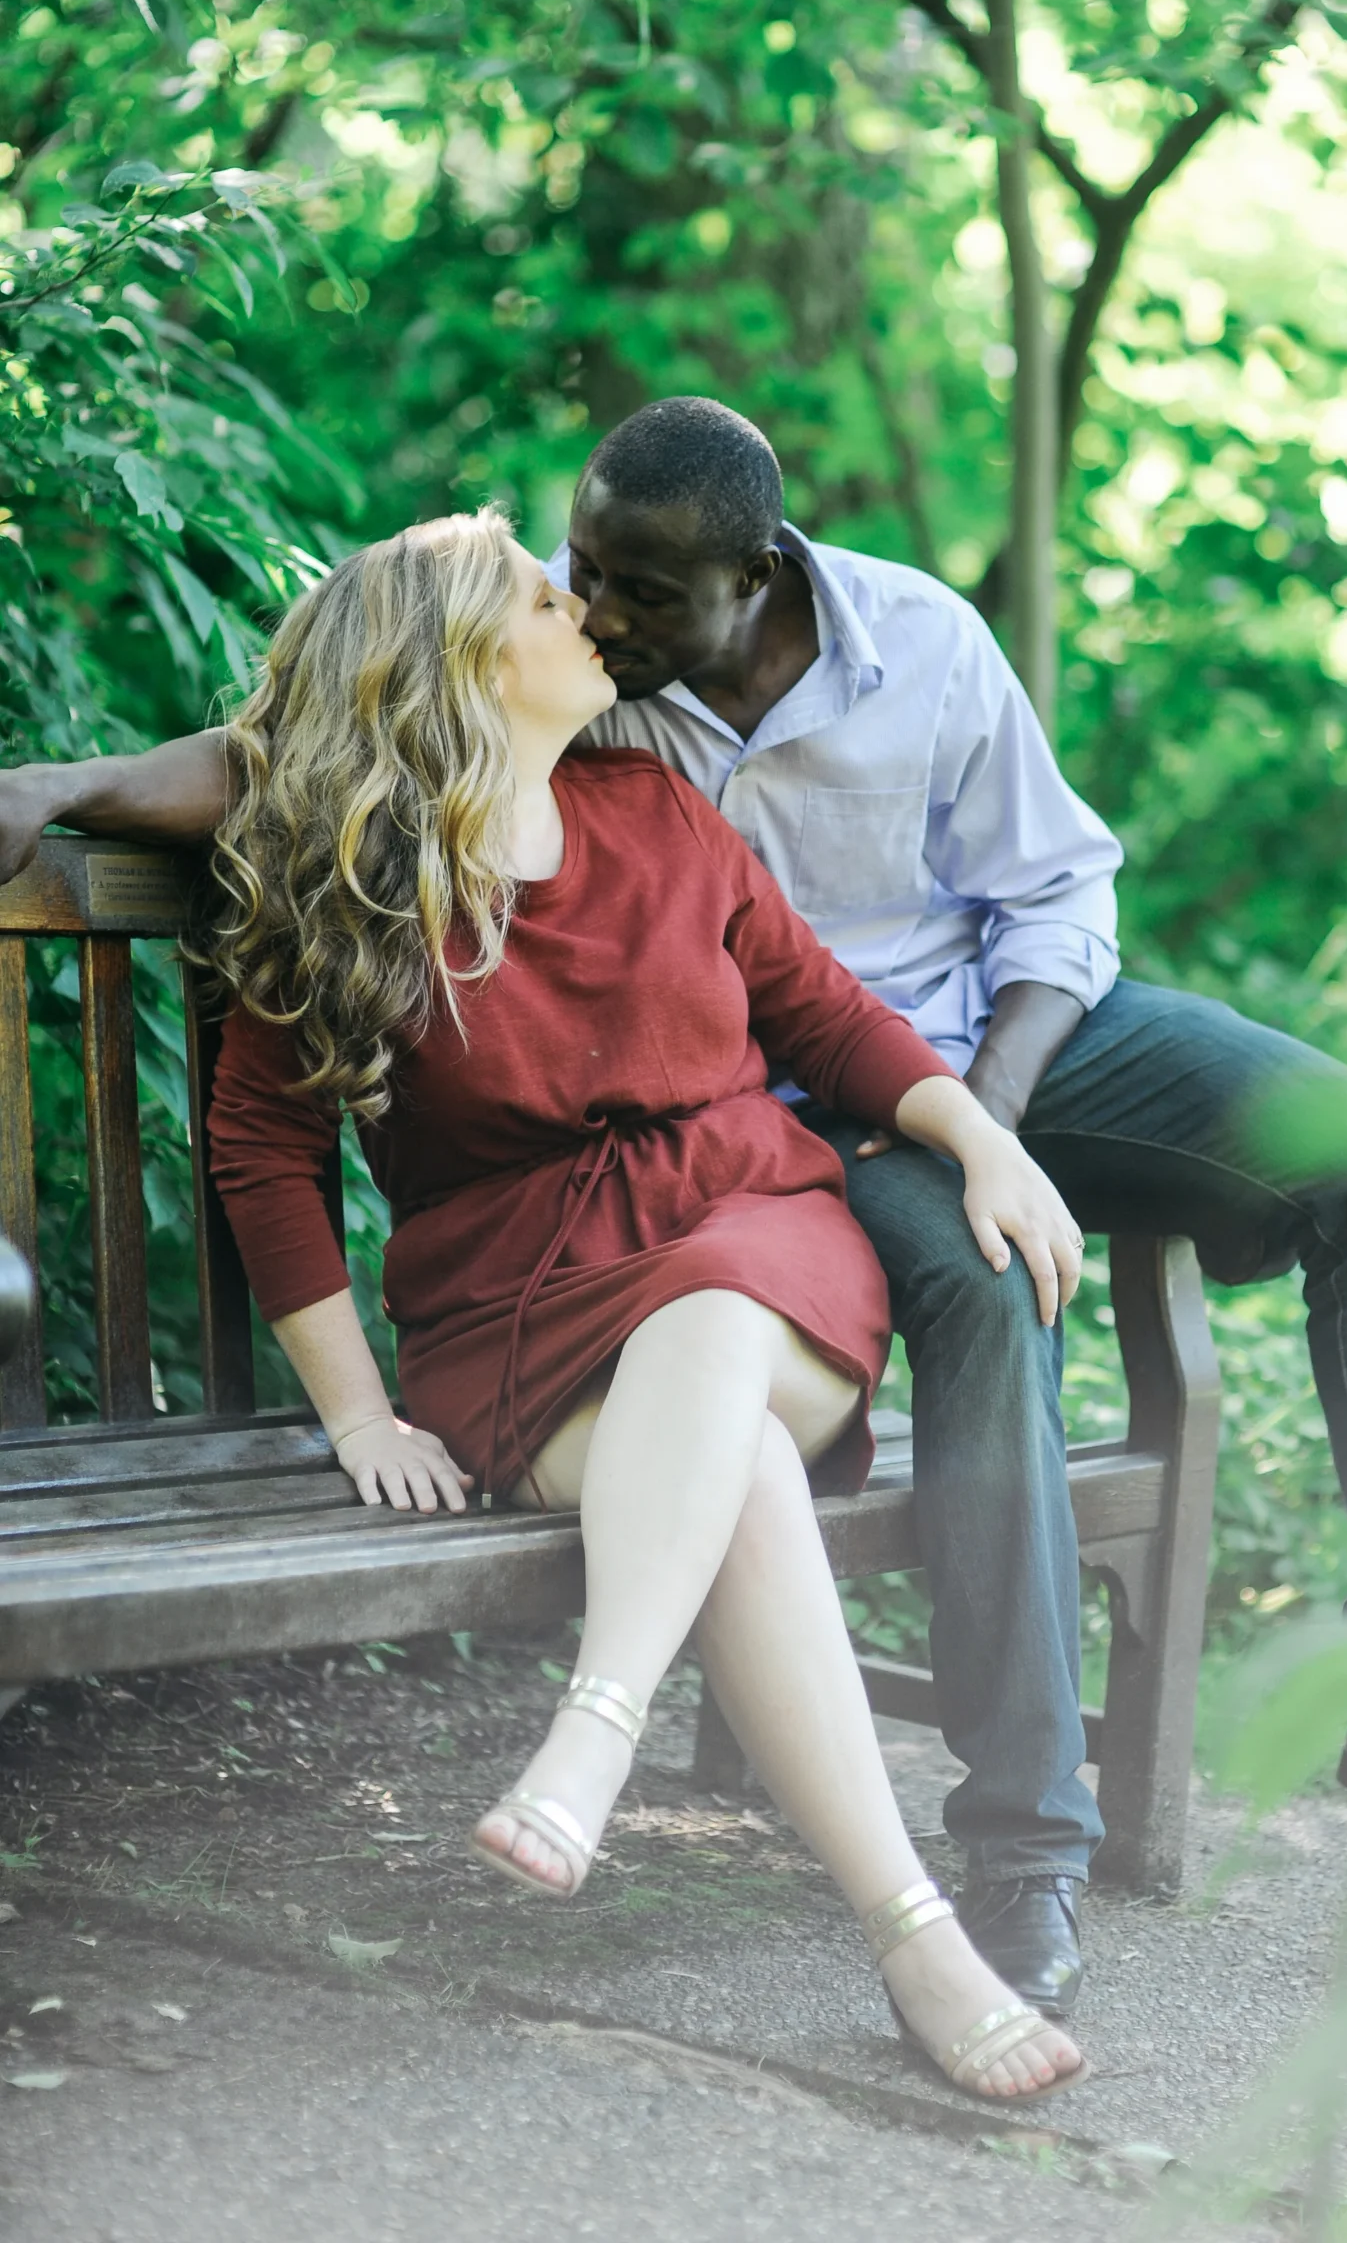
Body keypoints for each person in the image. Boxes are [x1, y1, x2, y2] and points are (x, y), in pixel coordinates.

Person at [0, 402, 1347, 2021]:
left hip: (979, 1045)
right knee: (982, 1295)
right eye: (578, 576)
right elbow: (337, 731)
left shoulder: (911, 643)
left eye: (639, 594)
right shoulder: (580, 681)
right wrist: (68, 779)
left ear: (756, 575)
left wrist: (986, 1121)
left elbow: (1052, 891)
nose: (598, 610)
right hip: (768, 1113)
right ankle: (1019, 1849)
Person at [193, 504, 1091, 2105]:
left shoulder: (658, 812)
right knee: (733, 1467)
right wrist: (358, 1412)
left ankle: (595, 1728)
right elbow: (263, 1145)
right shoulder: (360, 877)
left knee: (718, 1308)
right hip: (517, 1309)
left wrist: (981, 1141)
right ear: (466, 664)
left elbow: (827, 1014)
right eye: (543, 600)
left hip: (758, 1237)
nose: (584, 612)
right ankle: (912, 1933)